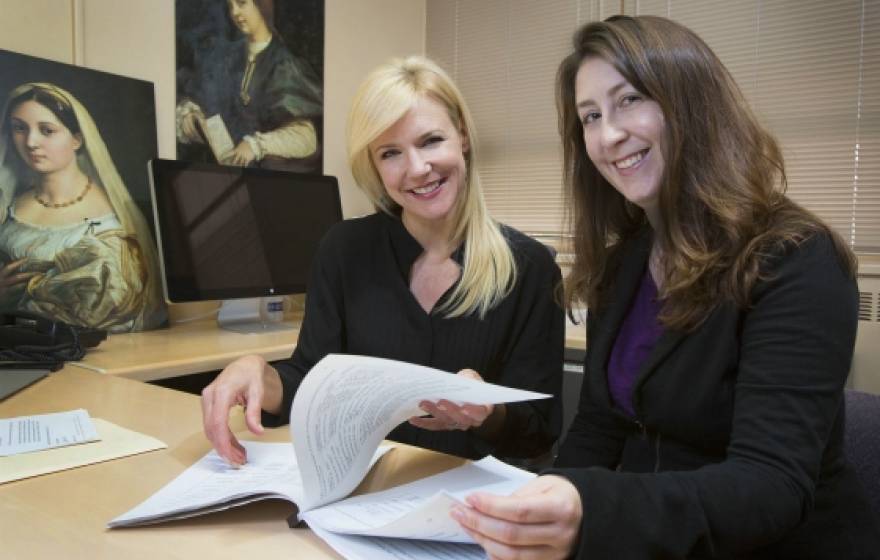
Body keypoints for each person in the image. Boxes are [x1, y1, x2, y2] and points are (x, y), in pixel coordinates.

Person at [450, 15, 880, 559]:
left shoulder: (796, 259)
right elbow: (599, 427)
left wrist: (590, 510)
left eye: (629, 100)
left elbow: (770, 486)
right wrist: (535, 509)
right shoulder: (624, 262)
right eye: (590, 116)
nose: (608, 135)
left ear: (691, 101)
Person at [201, 56, 564, 465]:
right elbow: (312, 382)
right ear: (373, 166)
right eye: (390, 153)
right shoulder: (344, 250)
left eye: (431, 141)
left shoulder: (531, 268)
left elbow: (539, 433)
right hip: (366, 487)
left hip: (474, 496)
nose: (417, 169)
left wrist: (488, 412)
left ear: (462, 136)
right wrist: (259, 372)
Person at [0, 82, 165, 332]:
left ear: (77, 139)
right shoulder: (8, 203)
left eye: (47, 130)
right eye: (19, 128)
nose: (31, 142)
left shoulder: (111, 219)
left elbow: (121, 307)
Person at [177, 0, 323, 173]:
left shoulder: (284, 64)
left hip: (264, 178)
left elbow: (306, 137)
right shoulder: (225, 56)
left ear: (262, 5)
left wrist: (255, 145)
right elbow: (198, 99)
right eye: (230, 6)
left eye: (242, 3)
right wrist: (191, 116)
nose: (235, 12)